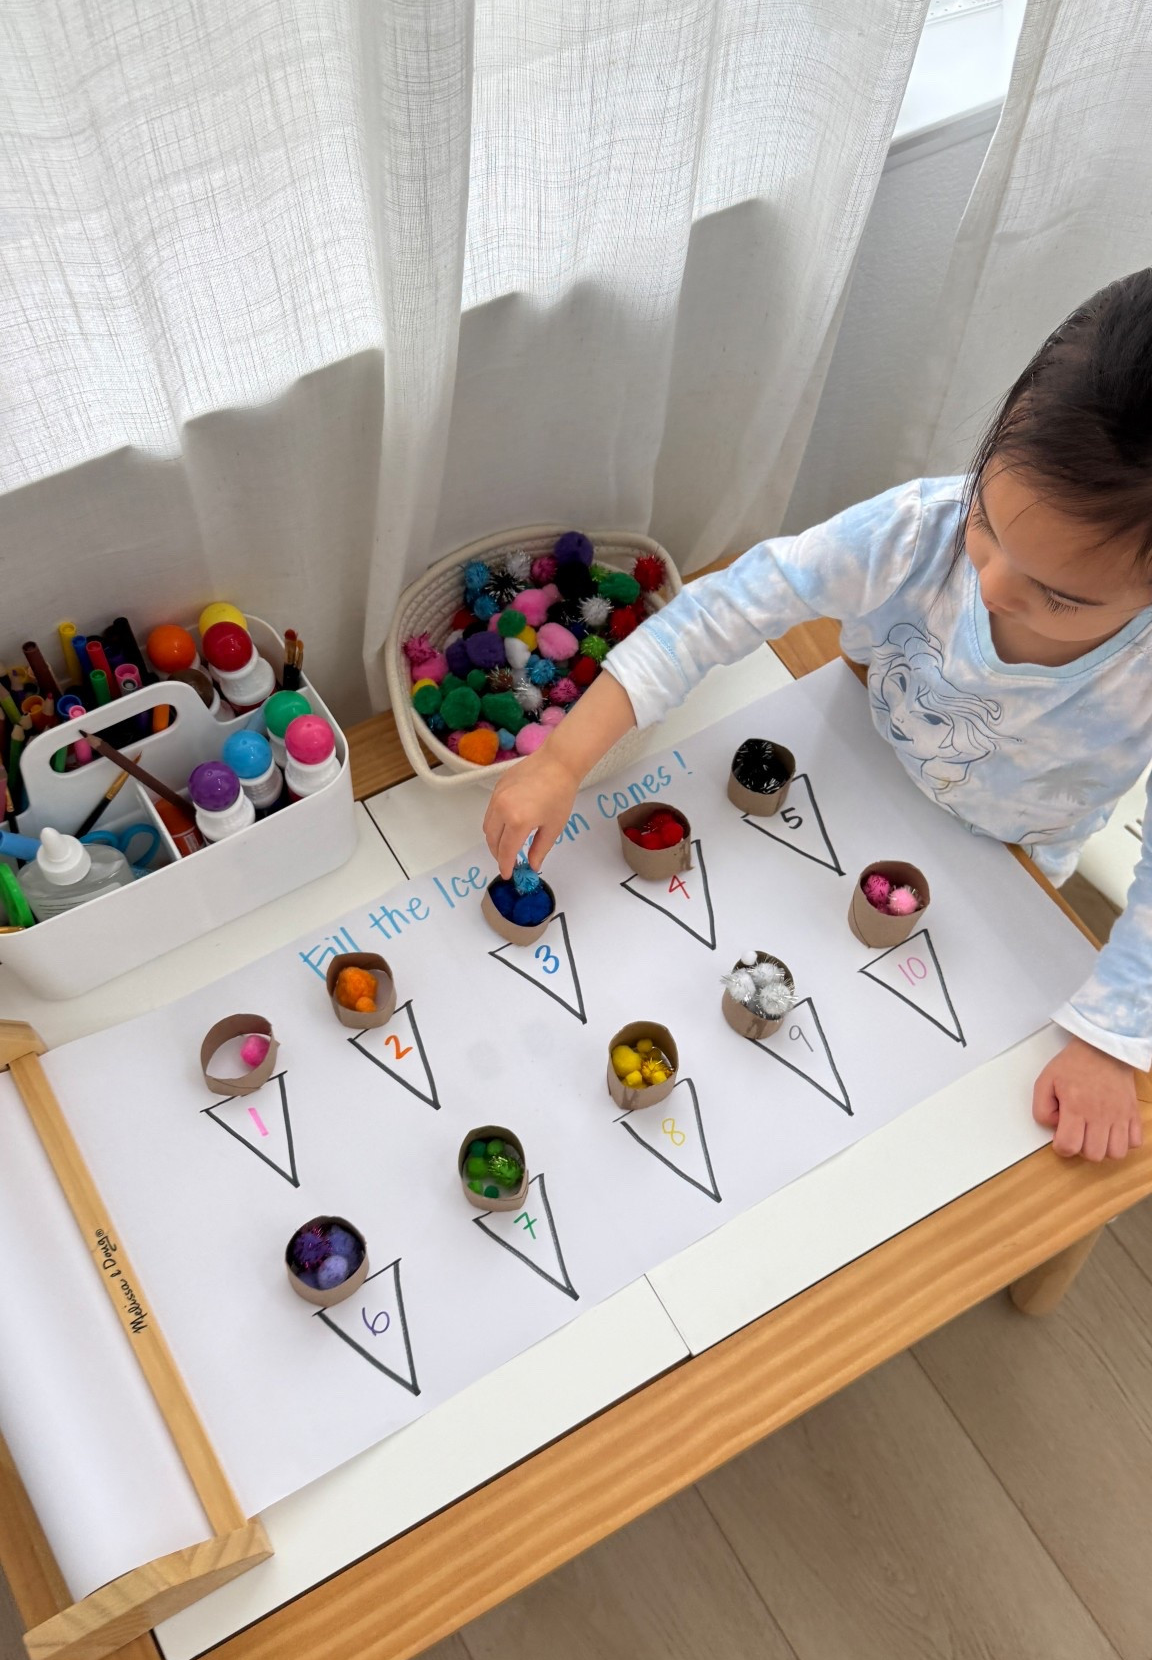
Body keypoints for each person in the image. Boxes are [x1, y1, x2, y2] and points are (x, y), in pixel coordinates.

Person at [485, 269, 1152, 1163]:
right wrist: (563, 760)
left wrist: (1113, 1041)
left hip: (1015, 859)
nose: (986, 586)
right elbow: (727, 609)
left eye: (1058, 597)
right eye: (988, 522)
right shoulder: (917, 532)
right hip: (848, 746)